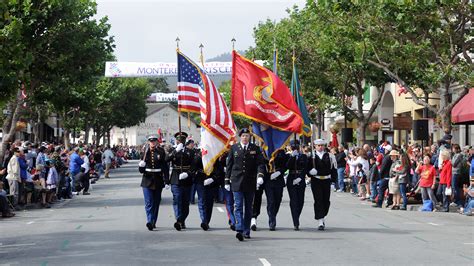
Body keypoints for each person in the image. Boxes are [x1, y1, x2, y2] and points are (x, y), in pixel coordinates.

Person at [225, 128, 265, 241]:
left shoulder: (255, 149)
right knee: (238, 206)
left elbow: (260, 164)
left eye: (247, 136)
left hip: (250, 182)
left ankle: (246, 231)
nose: (245, 138)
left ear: (249, 137)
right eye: (243, 136)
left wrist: (260, 175)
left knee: (248, 208)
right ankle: (239, 229)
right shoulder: (234, 148)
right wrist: (227, 180)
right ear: (240, 137)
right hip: (237, 181)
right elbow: (229, 165)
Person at [138, 134, 169, 231]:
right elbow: (141, 171)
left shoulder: (161, 151)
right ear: (148, 142)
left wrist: (167, 180)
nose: (152, 143)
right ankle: (150, 221)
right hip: (147, 180)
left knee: (156, 202)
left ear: (157, 142)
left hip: (158, 179)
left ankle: (153, 221)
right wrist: (141, 166)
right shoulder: (144, 152)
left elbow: (165, 167)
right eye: (151, 141)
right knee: (149, 202)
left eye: (154, 141)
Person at [167, 132, 194, 231]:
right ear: (176, 141)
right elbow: (166, 159)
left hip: (186, 179)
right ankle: (178, 220)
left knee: (185, 203)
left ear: (185, 141)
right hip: (175, 178)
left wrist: (188, 173)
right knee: (177, 199)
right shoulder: (173, 150)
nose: (180, 141)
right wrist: (175, 151)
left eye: (182, 140)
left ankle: (182, 220)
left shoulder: (190, 152)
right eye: (179, 140)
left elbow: (194, 166)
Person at [308, 139, 336, 230]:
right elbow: (307, 167)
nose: (320, 147)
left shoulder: (330, 156)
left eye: (322, 145)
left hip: (326, 180)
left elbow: (333, 169)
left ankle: (323, 215)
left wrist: (333, 181)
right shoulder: (311, 156)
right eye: (318, 145)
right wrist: (310, 172)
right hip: (316, 180)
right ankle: (320, 220)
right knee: (318, 200)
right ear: (315, 146)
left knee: (326, 201)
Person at [264, 148, 288, 231]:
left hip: (278, 180)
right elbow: (262, 164)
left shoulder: (281, 151)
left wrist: (280, 172)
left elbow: (286, 165)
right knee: (271, 201)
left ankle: (273, 215)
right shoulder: (264, 149)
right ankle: (272, 221)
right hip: (268, 180)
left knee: (278, 200)